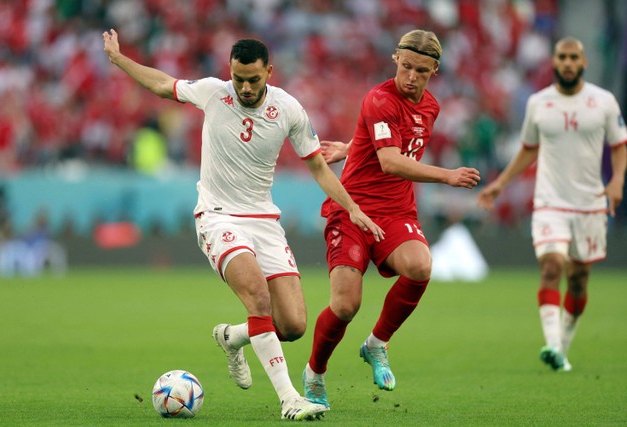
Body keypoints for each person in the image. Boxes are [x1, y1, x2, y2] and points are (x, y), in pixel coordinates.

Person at [102, 30, 385, 420]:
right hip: (217, 216)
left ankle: (232, 337)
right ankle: (289, 399)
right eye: (239, 79)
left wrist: (351, 207)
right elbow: (162, 84)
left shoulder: (289, 109)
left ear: (270, 71)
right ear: (229, 72)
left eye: (254, 79)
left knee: (293, 324)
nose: (246, 88)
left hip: (263, 219)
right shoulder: (213, 93)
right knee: (258, 299)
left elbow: (318, 165)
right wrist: (119, 59)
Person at [301, 29, 481, 408]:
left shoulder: (430, 106)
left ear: (434, 70)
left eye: (421, 70)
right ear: (395, 60)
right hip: (352, 209)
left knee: (420, 266)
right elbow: (390, 160)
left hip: (396, 211)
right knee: (347, 304)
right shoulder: (379, 98)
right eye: (406, 66)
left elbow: (393, 141)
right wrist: (448, 176)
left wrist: (353, 145)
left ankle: (376, 344)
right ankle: (315, 372)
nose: (411, 76)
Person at [477, 37, 627, 372]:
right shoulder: (538, 103)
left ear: (584, 62)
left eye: (574, 57)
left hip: (590, 204)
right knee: (551, 266)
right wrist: (500, 183)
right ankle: (553, 343)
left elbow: (620, 144)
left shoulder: (603, 102)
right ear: (555, 62)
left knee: (578, 280)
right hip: (550, 202)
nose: (569, 62)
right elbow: (529, 148)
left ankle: (564, 347)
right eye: (562, 57)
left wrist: (617, 180)